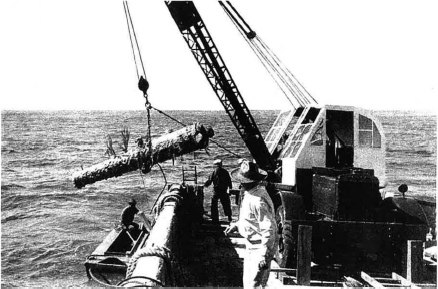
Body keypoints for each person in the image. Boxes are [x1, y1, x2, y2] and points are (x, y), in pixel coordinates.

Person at [225, 160, 277, 288]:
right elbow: (251, 219)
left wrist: (263, 255)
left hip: (259, 249)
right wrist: (238, 225)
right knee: (248, 284)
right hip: (251, 246)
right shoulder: (251, 193)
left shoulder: (258, 200)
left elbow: (269, 229)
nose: (241, 183)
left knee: (254, 285)